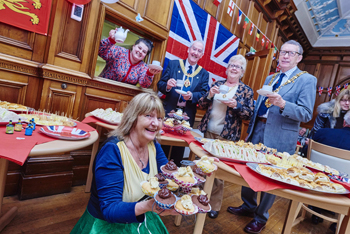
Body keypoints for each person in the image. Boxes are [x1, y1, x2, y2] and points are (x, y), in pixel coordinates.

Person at [227, 40, 317, 234]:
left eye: (290, 53)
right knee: (250, 169)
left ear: (299, 58)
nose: (285, 56)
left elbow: (306, 113)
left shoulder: (306, 80)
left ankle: (261, 216)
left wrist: (284, 104)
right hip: (258, 128)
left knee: (270, 176)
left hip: (280, 136)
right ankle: (248, 205)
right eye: (283, 52)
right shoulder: (271, 77)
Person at [71, 93, 177, 234]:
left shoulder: (154, 145)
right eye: (148, 116)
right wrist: (148, 205)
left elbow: (169, 178)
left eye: (159, 118)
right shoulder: (112, 151)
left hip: (141, 215)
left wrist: (192, 177)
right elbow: (110, 209)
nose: (156, 123)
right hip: (106, 225)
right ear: (133, 118)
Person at [198, 54, 254, 219]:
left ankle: (213, 205)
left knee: (218, 172)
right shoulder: (217, 84)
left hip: (227, 136)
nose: (234, 68)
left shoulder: (245, 90)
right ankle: (198, 198)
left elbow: (248, 114)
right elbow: (201, 104)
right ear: (227, 68)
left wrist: (236, 105)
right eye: (231, 65)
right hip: (208, 131)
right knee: (203, 166)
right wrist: (209, 95)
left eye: (238, 66)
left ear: (242, 72)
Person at [157, 40, 209, 166]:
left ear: (202, 55)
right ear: (188, 49)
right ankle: (159, 171)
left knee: (179, 148)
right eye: (194, 49)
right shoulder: (174, 64)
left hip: (187, 115)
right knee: (163, 144)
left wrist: (191, 96)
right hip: (169, 112)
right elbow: (160, 84)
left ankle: (175, 178)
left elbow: (204, 94)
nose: (195, 53)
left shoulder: (203, 74)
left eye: (199, 51)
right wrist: (168, 86)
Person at [301, 89, 350, 157]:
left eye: (349, 100)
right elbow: (316, 131)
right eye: (344, 100)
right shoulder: (326, 111)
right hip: (323, 144)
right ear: (338, 100)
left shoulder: (348, 116)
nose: (347, 103)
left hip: (342, 148)